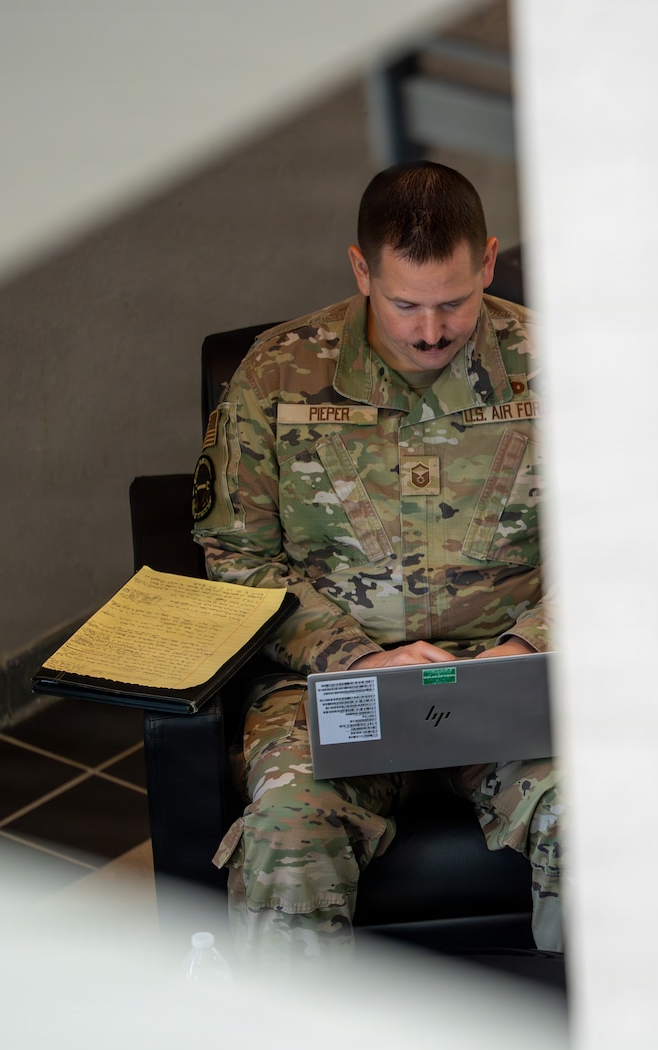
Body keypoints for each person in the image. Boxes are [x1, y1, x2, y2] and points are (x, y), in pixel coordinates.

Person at [190, 162, 561, 962]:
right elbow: (237, 557)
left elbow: (626, 550)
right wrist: (358, 657)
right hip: (333, 686)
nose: (430, 331)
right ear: (362, 271)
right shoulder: (278, 374)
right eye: (405, 304)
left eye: (452, 302)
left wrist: (523, 647)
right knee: (289, 833)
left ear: (488, 261)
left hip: (510, 674)